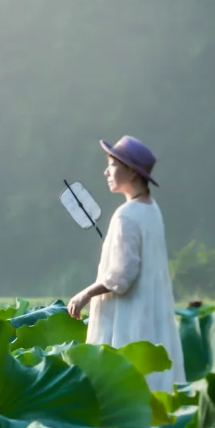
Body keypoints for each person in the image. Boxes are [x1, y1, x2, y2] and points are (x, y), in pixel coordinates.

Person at [67, 136, 186, 392]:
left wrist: (85, 294)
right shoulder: (152, 210)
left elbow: (121, 277)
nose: (106, 171)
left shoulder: (126, 216)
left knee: (121, 390)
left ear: (131, 171)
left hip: (127, 320)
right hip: (151, 317)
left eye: (112, 164)